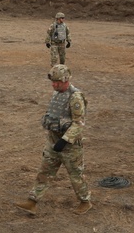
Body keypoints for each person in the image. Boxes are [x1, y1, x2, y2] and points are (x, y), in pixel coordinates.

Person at [16, 65, 92, 216]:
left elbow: (79, 123)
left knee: (76, 174)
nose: (53, 84)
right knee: (44, 172)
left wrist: (64, 141)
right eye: (53, 81)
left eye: (56, 81)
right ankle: (32, 201)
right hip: (53, 141)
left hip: (69, 146)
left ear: (65, 80)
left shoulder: (75, 97)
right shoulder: (56, 94)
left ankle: (85, 201)